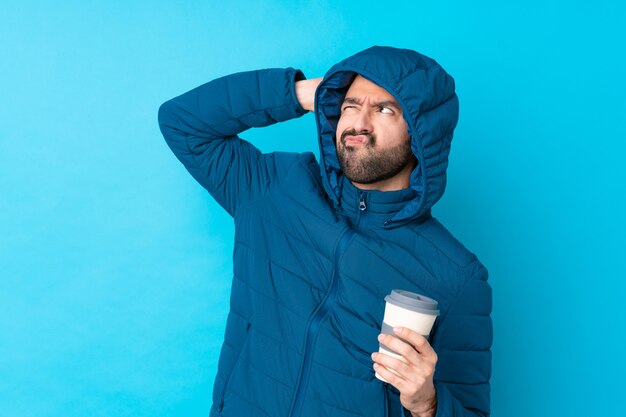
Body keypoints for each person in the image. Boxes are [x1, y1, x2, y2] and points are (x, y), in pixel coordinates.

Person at [157, 45, 492, 417]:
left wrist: (427, 404)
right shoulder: (274, 188)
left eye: (384, 109)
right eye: (350, 105)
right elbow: (181, 122)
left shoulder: (457, 277)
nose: (359, 123)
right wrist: (304, 93)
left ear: (421, 133)